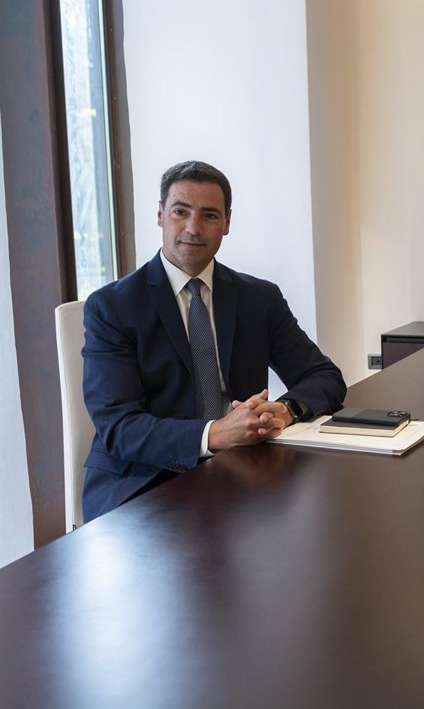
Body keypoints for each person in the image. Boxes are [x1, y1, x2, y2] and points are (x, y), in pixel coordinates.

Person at [81, 160, 346, 520]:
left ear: (227, 223)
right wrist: (215, 433)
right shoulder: (112, 307)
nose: (193, 228)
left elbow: (324, 377)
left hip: (242, 472)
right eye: (180, 212)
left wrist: (286, 411)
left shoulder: (260, 299)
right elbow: (119, 427)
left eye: (209, 215)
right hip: (142, 484)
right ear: (160, 215)